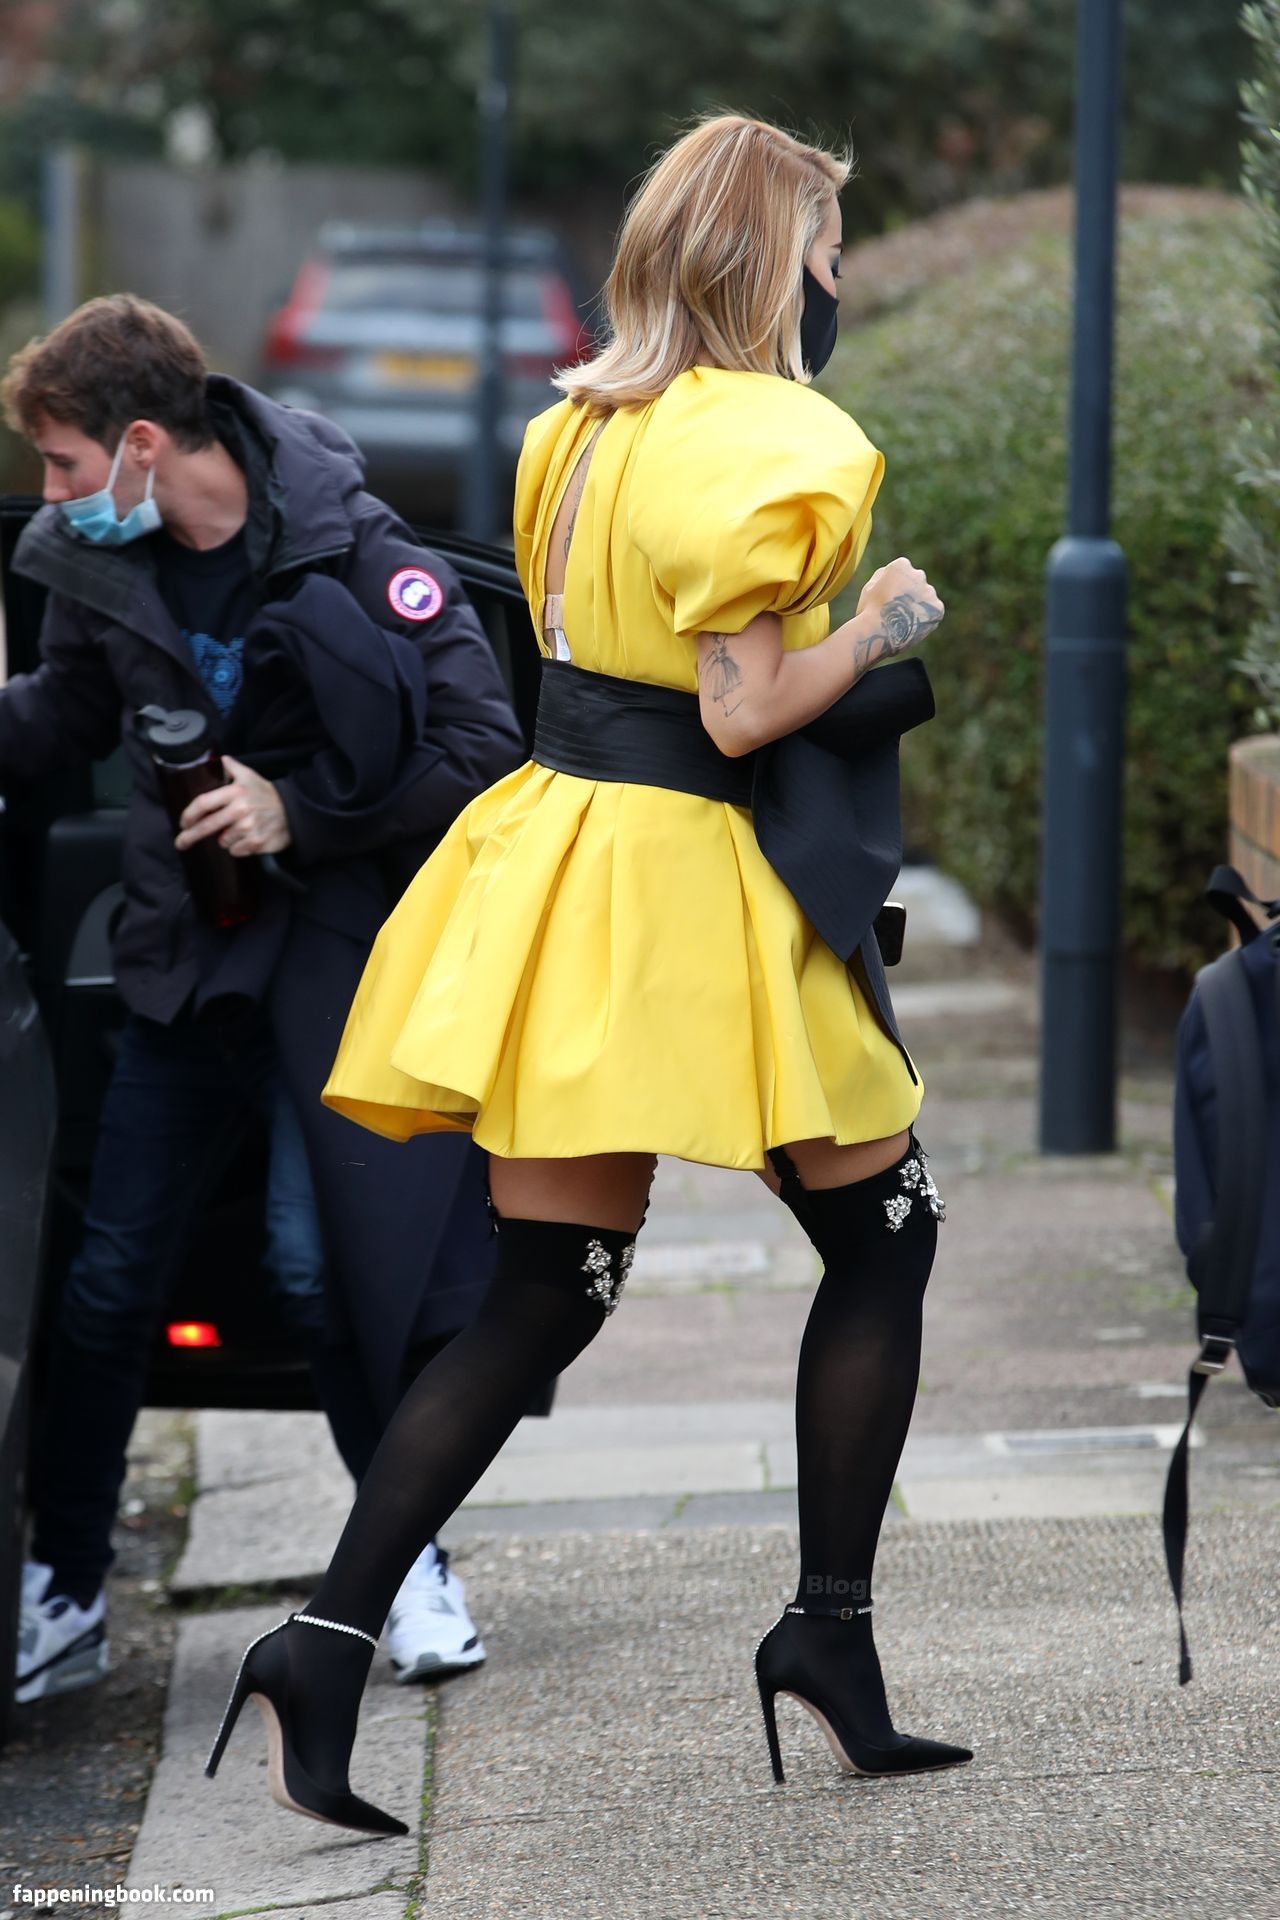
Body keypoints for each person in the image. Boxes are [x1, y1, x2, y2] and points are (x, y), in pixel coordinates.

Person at [205, 113, 971, 1836]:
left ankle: (324, 1641)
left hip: (563, 858)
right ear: (774, 264)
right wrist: (885, 622)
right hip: (688, 882)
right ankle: (826, 1631)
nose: (839, 276)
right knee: (888, 1233)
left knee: (544, 1291)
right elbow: (743, 712)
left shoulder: (578, 423)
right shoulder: (775, 438)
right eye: (829, 247)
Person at [1, 296, 527, 1705]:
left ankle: (402, 1567)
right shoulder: (98, 563)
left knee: (329, 1273)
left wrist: (302, 811)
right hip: (183, 969)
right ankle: (63, 1589)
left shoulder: (355, 546)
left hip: (332, 969)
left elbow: (486, 745)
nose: (46, 495)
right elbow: (61, 717)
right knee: (106, 1285)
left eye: (61, 463)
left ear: (142, 444)